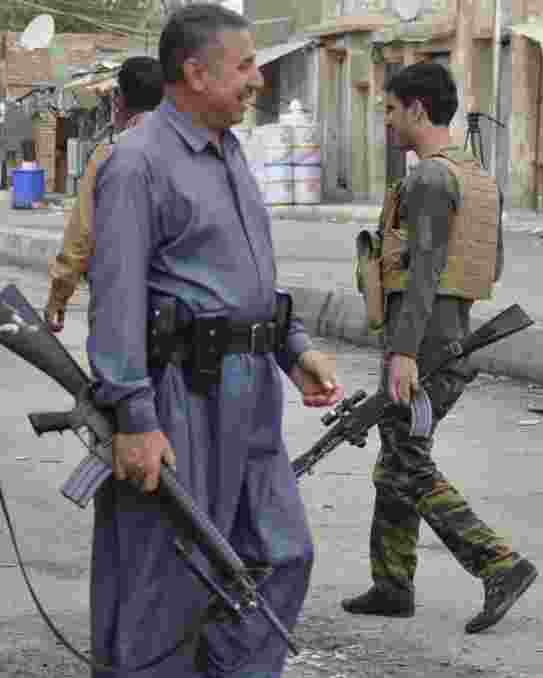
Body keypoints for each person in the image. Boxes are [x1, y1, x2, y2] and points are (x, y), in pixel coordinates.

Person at [86, 5, 343, 676]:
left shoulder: (230, 152)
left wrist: (295, 348)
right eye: (247, 65)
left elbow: (247, 275)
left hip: (252, 392)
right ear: (195, 73)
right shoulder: (137, 163)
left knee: (281, 553)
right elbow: (114, 302)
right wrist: (134, 418)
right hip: (178, 395)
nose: (259, 79)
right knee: (165, 576)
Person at [341, 62, 538, 634]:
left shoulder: (429, 179)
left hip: (424, 346)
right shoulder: (475, 176)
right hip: (449, 334)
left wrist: (403, 354)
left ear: (417, 110)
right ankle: (391, 583)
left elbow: (424, 271)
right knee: (395, 459)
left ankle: (499, 563)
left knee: (406, 464)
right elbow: (489, 264)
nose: (386, 119)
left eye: (389, 108)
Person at [44, 56, 164, 333]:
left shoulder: (110, 156)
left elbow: (81, 236)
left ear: (119, 101)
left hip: (122, 306)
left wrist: (58, 295)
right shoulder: (192, 152)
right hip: (186, 312)